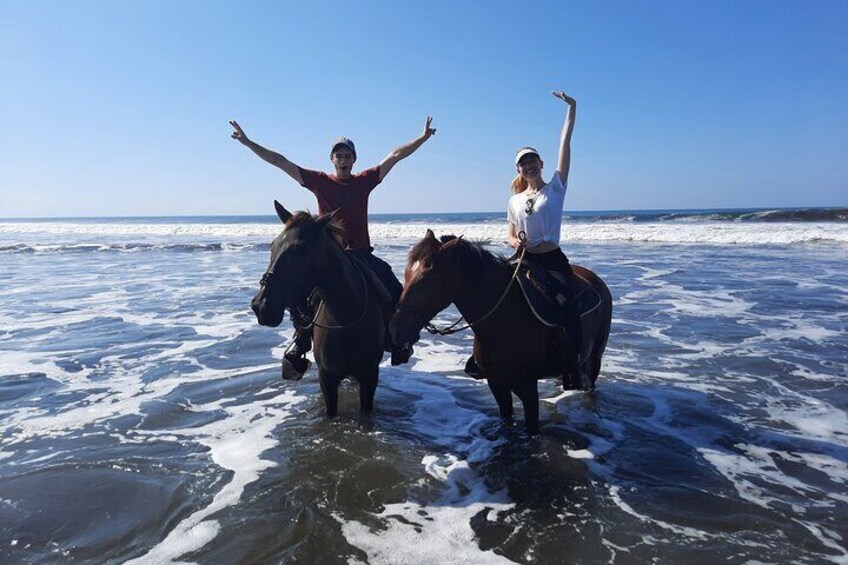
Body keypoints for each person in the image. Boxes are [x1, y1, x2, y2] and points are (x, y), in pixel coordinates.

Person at [231, 117, 437, 378]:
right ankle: (300, 342)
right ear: (332, 159)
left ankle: (399, 342)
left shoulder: (365, 180)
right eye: (339, 155)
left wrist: (422, 138)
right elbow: (280, 161)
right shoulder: (319, 181)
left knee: (392, 288)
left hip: (361, 255)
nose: (343, 159)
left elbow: (395, 155)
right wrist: (249, 143)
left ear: (354, 160)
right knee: (301, 295)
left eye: (348, 155)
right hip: (327, 259)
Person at [465, 91, 583, 384]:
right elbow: (509, 232)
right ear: (518, 169)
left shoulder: (555, 187)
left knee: (565, 304)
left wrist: (571, 107)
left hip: (551, 258)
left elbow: (564, 143)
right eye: (523, 163)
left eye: (533, 161)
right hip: (522, 258)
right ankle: (483, 356)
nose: (528, 165)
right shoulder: (514, 200)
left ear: (541, 163)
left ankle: (573, 358)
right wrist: (514, 242)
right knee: (493, 295)